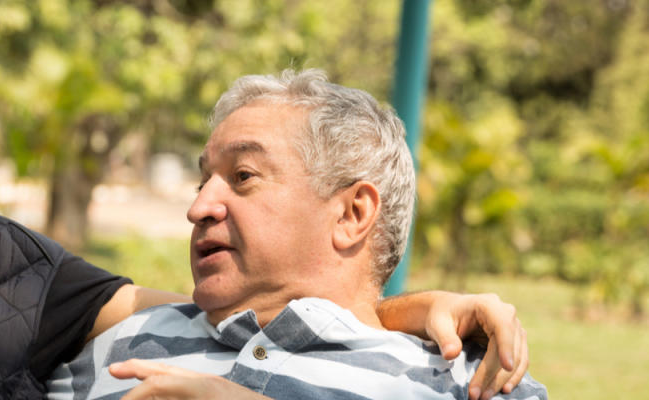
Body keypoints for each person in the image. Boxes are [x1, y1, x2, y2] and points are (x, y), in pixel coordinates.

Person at [0, 2, 526, 399]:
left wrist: (407, 309)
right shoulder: (141, 337)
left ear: (353, 214)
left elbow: (290, 313)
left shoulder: (6, 272)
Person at [47, 69, 548, 400]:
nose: (198, 207)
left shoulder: (471, 382)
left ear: (352, 214)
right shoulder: (123, 339)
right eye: (203, 181)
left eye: (243, 177)